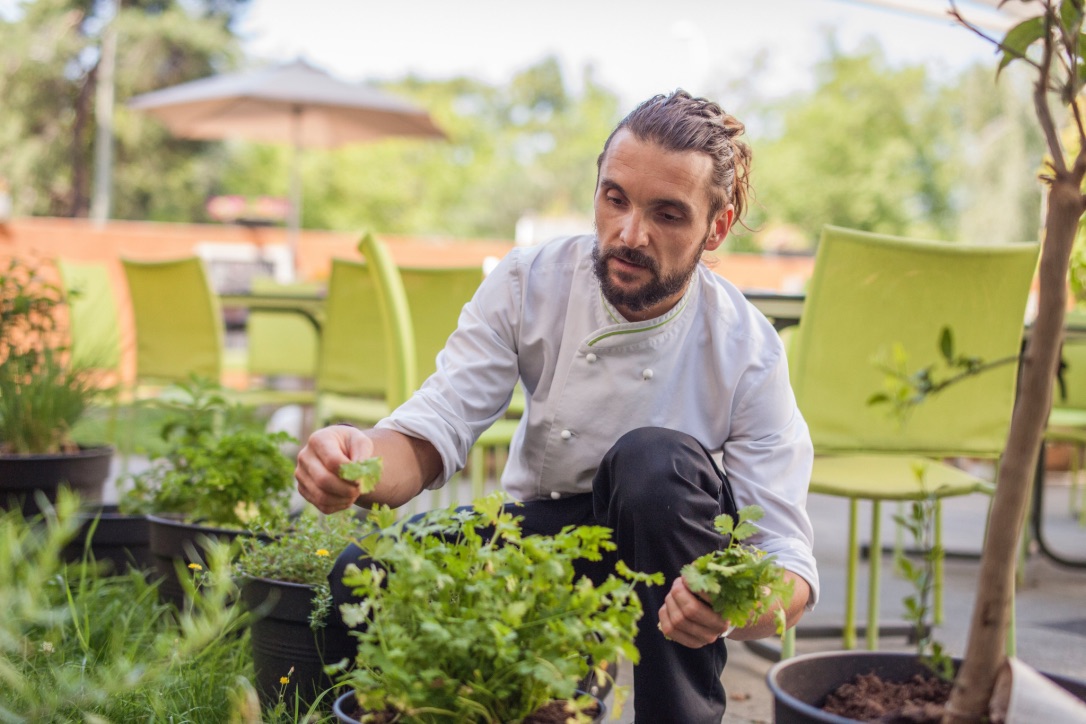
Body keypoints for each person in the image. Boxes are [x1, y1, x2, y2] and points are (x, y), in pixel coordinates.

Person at [295, 89, 818, 723]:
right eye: (614, 198)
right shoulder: (530, 282)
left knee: (655, 462)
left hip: (668, 550)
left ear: (717, 226)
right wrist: (359, 459)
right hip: (544, 536)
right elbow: (438, 426)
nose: (630, 234)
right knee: (361, 572)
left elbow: (786, 558)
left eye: (668, 214)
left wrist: (736, 608)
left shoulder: (748, 349)